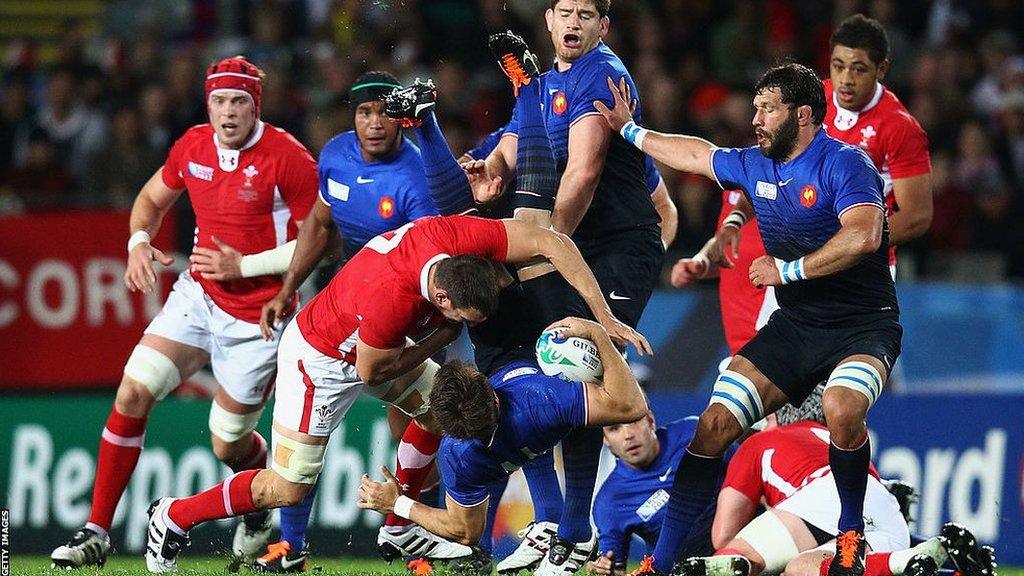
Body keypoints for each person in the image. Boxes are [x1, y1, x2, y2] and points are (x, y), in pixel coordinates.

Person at [142, 214, 650, 573]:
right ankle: (172, 517)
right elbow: (371, 372)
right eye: (462, 318)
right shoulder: (393, 298)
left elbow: (549, 240)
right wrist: (440, 338)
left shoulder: (453, 235)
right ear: (444, 298)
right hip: (321, 358)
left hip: (375, 345)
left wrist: (602, 317)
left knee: (445, 411)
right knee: (288, 488)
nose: (464, 326)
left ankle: (398, 522)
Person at [595, 61, 901, 576]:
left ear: (802, 115)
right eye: (755, 107)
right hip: (797, 328)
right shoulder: (755, 164)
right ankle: (662, 564)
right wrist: (630, 130)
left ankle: (851, 534)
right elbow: (695, 153)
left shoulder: (845, 164)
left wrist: (789, 269)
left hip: (863, 324)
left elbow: (865, 235)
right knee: (712, 428)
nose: (755, 118)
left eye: (767, 109)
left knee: (842, 408)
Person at [49, 56, 319, 569]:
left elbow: (317, 243)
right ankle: (97, 532)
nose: (228, 112)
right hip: (198, 296)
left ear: (255, 105)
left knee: (227, 444)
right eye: (219, 100)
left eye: (239, 100)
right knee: (132, 390)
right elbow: (151, 200)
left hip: (259, 319)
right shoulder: (192, 144)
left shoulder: (288, 157)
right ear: (208, 104)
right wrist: (136, 241)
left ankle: (257, 515)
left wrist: (244, 265)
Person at [213, 70, 441, 572]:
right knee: (307, 437)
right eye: (364, 112)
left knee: (424, 423)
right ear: (353, 118)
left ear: (401, 119)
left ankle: (407, 530)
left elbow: (429, 262)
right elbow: (318, 224)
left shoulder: (417, 179)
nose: (374, 123)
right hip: (342, 305)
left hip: (404, 309)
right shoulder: (335, 154)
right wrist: (288, 287)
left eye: (385, 111)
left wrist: (429, 331)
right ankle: (292, 548)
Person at [468, 13, 666, 569]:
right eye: (565, 12)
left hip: (617, 249)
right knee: (538, 364)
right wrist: (492, 169)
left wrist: (544, 245)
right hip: (570, 241)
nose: (573, 23)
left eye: (586, 14)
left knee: (584, 369)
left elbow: (583, 172)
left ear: (604, 23)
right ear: (550, 19)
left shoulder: (601, 74)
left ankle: (573, 527)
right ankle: (557, 522)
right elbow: (513, 142)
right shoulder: (549, 82)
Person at [355, 316, 648, 564]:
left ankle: (547, 520)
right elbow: (632, 406)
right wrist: (597, 332)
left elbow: (465, 532)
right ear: (490, 390)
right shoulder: (541, 398)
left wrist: (399, 504)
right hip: (524, 350)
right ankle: (559, 522)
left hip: (511, 415)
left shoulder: (456, 456)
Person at [824, 14, 932, 276]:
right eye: (838, 66)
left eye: (858, 69)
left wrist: (850, 245)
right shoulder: (815, 99)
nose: (846, 79)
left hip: (864, 270)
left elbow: (916, 216)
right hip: (802, 259)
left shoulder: (900, 127)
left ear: (881, 69)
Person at [586, 414, 732, 576]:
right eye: (614, 429)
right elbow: (613, 567)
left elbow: (749, 474)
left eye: (633, 422)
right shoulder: (609, 501)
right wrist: (600, 568)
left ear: (650, 420)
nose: (628, 435)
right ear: (605, 440)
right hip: (684, 568)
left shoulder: (693, 433)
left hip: (742, 539)